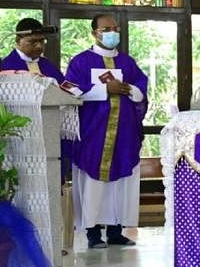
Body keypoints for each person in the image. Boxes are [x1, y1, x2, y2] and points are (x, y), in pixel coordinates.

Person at [64, 14, 149, 249]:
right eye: (106, 29)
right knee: (93, 182)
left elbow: (141, 88)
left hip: (123, 133)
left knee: (121, 182)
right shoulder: (80, 61)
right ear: (95, 33)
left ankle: (115, 231)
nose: (112, 32)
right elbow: (70, 90)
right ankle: (92, 232)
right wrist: (104, 89)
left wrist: (129, 88)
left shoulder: (127, 62)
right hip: (93, 132)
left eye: (115, 28)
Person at [0, 18, 64, 83]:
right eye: (33, 41)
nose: (39, 46)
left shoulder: (48, 65)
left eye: (41, 41)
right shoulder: (5, 67)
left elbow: (65, 88)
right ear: (18, 40)